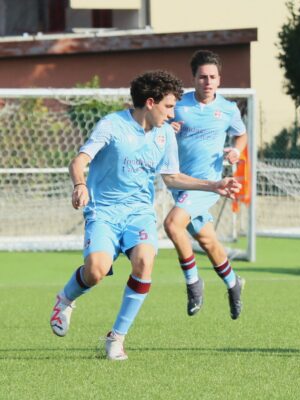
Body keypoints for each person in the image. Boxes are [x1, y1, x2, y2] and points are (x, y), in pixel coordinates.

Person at [49, 70, 241, 361]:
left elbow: (172, 177)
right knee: (96, 271)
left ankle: (117, 338)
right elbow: (79, 161)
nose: (173, 113)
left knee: (144, 262)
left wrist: (215, 184)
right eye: (169, 106)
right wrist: (79, 185)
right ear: (150, 103)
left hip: (139, 213)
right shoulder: (112, 125)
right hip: (104, 212)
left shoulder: (165, 135)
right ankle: (65, 298)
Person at [163, 50, 247, 319]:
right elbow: (157, 125)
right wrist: (168, 129)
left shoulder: (228, 109)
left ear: (219, 79)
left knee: (172, 224)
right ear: (194, 79)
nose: (207, 82)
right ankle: (234, 284)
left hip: (210, 184)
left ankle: (193, 282)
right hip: (181, 183)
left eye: (212, 77)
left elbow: (241, 135)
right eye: (202, 77)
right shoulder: (179, 105)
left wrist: (236, 151)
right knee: (207, 240)